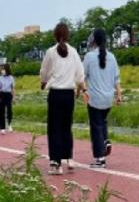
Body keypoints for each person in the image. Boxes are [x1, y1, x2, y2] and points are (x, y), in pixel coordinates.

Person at [39, 22, 86, 175]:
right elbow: (80, 74)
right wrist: (83, 89)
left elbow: (44, 71)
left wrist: (43, 82)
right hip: (69, 95)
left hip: (55, 94)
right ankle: (69, 158)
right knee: (67, 127)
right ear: (67, 35)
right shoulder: (74, 52)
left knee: (54, 128)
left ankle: (56, 163)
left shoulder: (50, 52)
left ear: (55, 35)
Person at [83, 28, 122, 168]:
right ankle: (105, 141)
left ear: (93, 40)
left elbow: (82, 76)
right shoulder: (112, 56)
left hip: (94, 98)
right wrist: (119, 95)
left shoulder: (89, 56)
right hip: (108, 98)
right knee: (102, 122)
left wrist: (81, 91)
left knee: (96, 127)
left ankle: (100, 158)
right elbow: (117, 79)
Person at [0, 63, 16, 134]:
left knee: (9, 110)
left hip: (8, 94)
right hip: (1, 94)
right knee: (1, 111)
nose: (2, 70)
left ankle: (9, 125)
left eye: (3, 69)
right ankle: (2, 128)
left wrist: (14, 97)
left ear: (7, 69)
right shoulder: (0, 78)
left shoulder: (11, 78)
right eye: (1, 69)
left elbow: (13, 88)